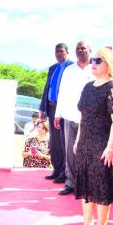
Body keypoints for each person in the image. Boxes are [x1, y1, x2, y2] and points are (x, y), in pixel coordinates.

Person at [69, 48, 113, 225]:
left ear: (109, 65)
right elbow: (84, 116)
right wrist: (77, 140)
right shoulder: (87, 87)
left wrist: (110, 148)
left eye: (98, 60)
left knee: (101, 186)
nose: (93, 63)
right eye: (93, 59)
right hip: (85, 142)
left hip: (103, 143)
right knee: (85, 183)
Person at [54, 40, 94, 196]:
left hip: (90, 120)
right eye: (78, 48)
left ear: (90, 50)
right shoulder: (69, 71)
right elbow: (62, 93)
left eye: (84, 48)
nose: (81, 50)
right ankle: (70, 183)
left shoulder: (95, 69)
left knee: (88, 152)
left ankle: (87, 184)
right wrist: (58, 114)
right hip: (70, 116)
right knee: (70, 151)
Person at [39, 43, 73, 183]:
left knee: (64, 142)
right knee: (54, 142)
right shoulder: (53, 68)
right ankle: (56, 169)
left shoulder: (72, 67)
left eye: (61, 51)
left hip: (65, 109)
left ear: (67, 52)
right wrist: (42, 108)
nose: (58, 54)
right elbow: (47, 89)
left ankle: (65, 174)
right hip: (52, 108)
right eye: (56, 51)